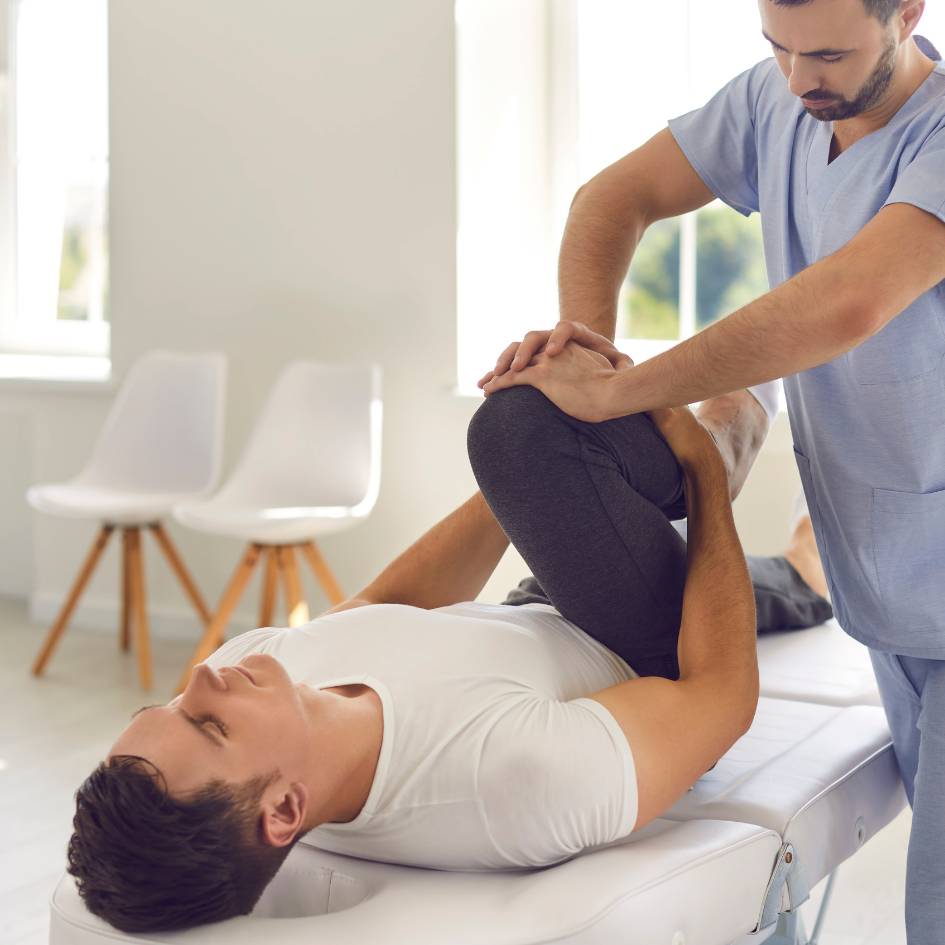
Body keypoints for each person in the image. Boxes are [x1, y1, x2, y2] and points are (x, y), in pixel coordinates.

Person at [478, 1, 945, 941]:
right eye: (775, 49)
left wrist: (621, 394)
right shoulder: (774, 105)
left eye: (825, 53)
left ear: (908, 13)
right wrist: (587, 350)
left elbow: (848, 300)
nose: (798, 77)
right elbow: (609, 199)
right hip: (887, 585)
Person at [66, 388, 831, 934]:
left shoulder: (258, 675)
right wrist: (700, 474)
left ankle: (796, 557)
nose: (199, 676)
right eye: (206, 724)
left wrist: (518, 495)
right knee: (517, 431)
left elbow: (391, 602)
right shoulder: (504, 783)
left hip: (531, 616)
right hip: (643, 656)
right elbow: (719, 698)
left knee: (528, 429)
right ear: (286, 811)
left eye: (163, 704)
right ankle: (738, 426)